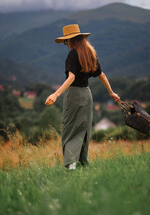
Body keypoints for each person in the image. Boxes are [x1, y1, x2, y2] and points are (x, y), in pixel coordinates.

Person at [45, 24, 120, 170]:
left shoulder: (73, 53)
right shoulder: (90, 53)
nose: (66, 44)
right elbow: (101, 75)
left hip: (74, 95)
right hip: (87, 94)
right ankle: (83, 162)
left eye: (66, 42)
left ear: (71, 40)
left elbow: (71, 77)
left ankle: (71, 164)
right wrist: (111, 92)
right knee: (84, 129)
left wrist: (56, 94)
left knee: (70, 128)